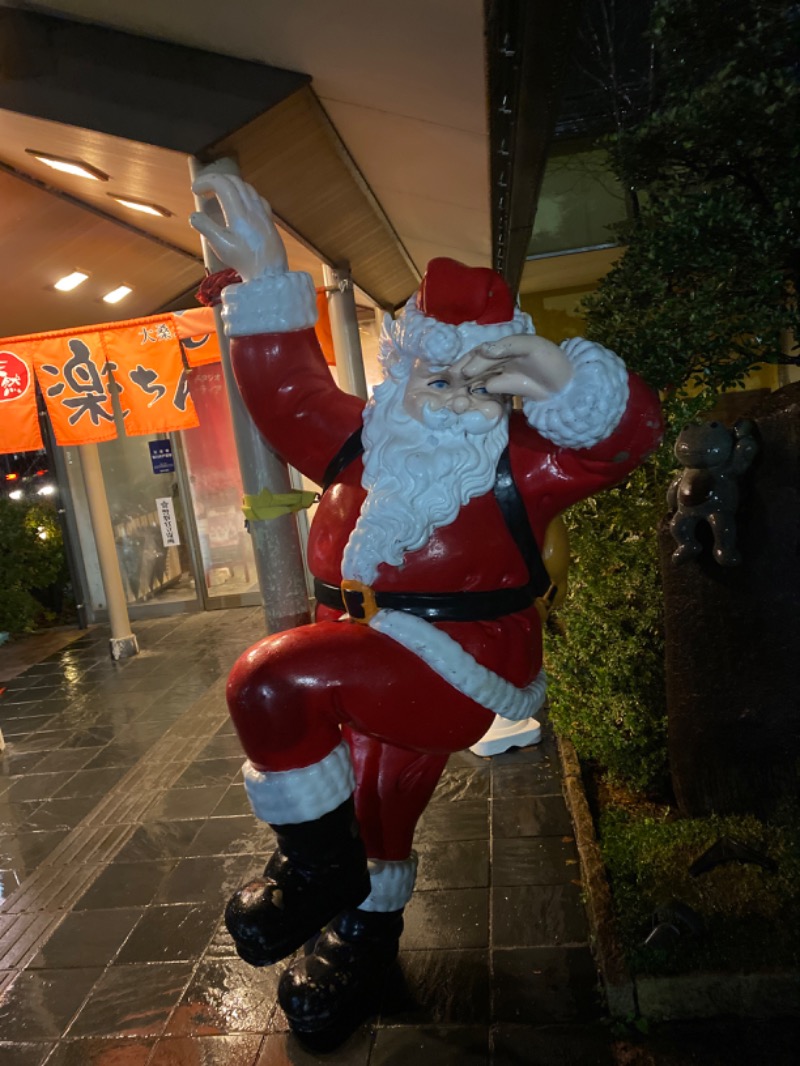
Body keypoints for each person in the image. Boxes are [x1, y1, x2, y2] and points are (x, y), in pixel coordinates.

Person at [190, 174, 663, 1049]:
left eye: (468, 369)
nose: (440, 387)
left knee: (273, 678)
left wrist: (565, 379)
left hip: (452, 655)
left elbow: (621, 444)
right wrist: (265, 280)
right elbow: (292, 395)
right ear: (402, 357)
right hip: (357, 645)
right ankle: (363, 927)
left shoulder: (522, 466)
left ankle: (314, 875)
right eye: (424, 362)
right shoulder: (365, 441)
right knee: (373, 797)